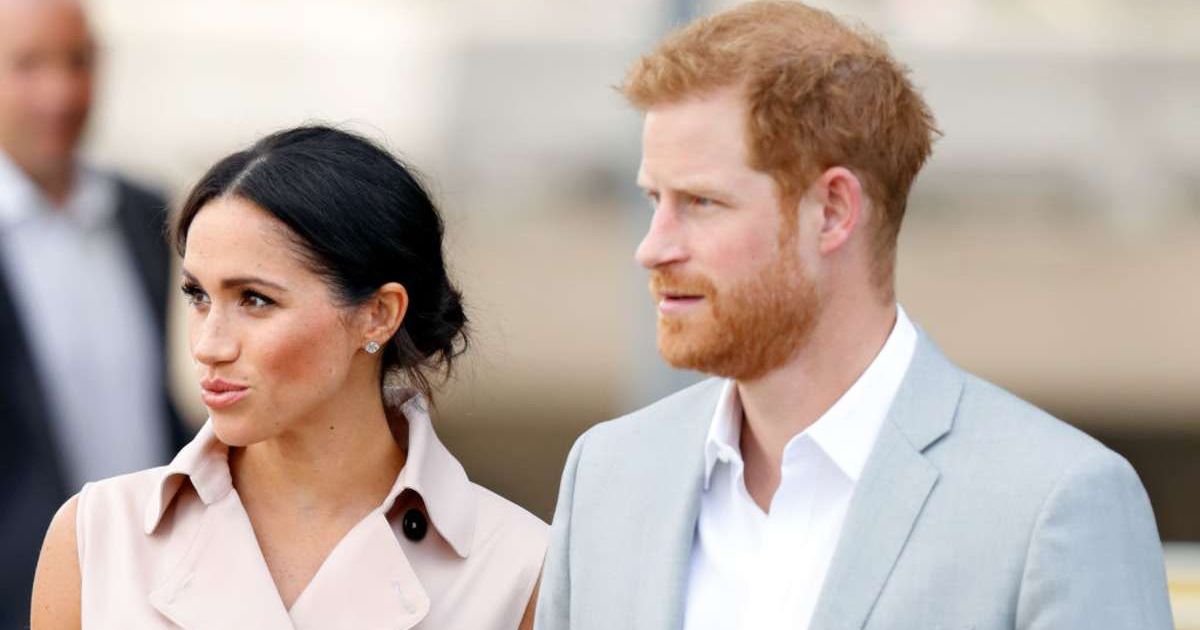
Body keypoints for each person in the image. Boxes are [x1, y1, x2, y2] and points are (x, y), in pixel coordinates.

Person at [536, 2, 1174, 629]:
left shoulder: (1052, 501)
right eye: (654, 199)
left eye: (701, 202)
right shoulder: (607, 475)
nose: (652, 247)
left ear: (834, 210)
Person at [31, 126, 547, 629]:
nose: (209, 345)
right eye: (197, 295)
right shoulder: (97, 537)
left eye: (255, 300)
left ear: (379, 314)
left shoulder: (518, 569)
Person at [0, 0, 186, 624]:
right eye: (28, 65)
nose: (60, 92)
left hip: (154, 584)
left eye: (76, 62)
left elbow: (152, 400)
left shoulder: (142, 212)